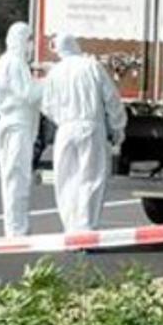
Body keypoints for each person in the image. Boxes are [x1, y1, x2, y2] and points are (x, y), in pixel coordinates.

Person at [40, 34, 127, 232]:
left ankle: (70, 228)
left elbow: (46, 105)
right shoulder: (91, 66)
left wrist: (62, 120)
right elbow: (112, 99)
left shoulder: (55, 72)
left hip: (65, 130)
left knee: (66, 179)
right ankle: (86, 228)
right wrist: (117, 127)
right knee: (91, 179)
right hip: (91, 127)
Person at [0, 23, 42, 237]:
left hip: (12, 123)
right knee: (17, 177)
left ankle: (15, 226)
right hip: (17, 124)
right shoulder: (14, 63)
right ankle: (17, 229)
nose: (31, 45)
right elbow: (29, 94)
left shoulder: (6, 61)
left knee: (13, 177)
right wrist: (50, 83)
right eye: (29, 39)